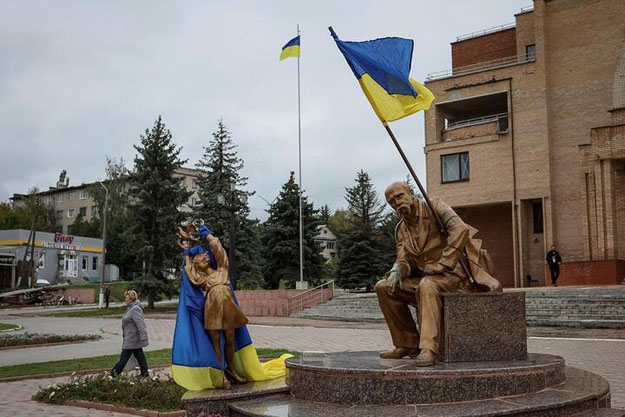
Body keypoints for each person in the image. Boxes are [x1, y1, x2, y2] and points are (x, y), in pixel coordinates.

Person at [375, 181, 502, 366]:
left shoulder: (434, 206)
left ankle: (429, 349)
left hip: (453, 276)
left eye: (399, 196)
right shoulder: (401, 229)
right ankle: (407, 343)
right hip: (426, 277)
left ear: (411, 192)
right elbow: (405, 260)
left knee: (428, 285)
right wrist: (398, 270)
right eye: (392, 202)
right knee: (384, 287)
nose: (397, 203)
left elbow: (460, 229)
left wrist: (442, 263)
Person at [183, 229, 248, 388]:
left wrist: (206, 233)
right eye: (199, 259)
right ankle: (220, 375)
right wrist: (187, 250)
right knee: (216, 342)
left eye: (205, 256)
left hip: (228, 307)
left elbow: (218, 250)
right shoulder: (202, 278)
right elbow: (189, 271)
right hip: (212, 307)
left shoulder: (222, 269)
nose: (204, 258)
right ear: (197, 266)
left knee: (230, 340)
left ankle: (232, 371)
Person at [111, 290, 149, 377]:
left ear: (131, 299)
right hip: (130, 337)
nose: (125, 299)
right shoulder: (131, 308)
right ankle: (145, 373)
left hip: (132, 338)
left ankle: (113, 374)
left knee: (124, 358)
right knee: (140, 356)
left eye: (126, 298)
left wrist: (144, 337)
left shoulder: (135, 309)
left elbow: (140, 324)